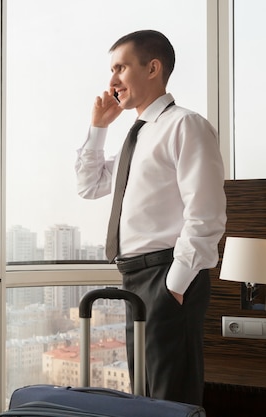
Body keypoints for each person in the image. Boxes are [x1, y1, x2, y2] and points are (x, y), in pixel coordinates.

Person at [75, 30, 226, 406]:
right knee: (142, 397)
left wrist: (173, 286)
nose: (111, 81)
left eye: (121, 68)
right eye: (111, 70)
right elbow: (89, 185)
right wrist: (98, 129)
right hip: (133, 277)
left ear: (153, 68)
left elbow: (205, 215)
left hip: (165, 275)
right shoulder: (138, 137)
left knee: (169, 398)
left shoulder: (184, 125)